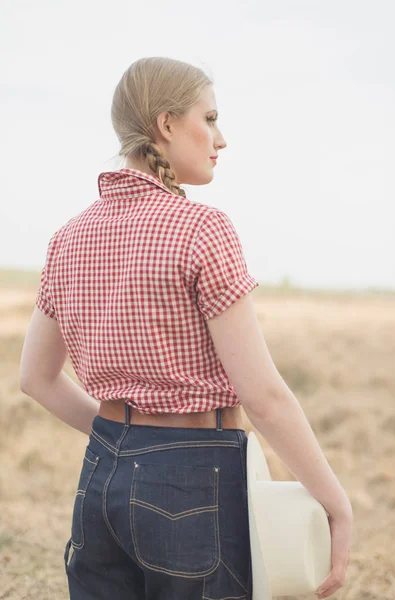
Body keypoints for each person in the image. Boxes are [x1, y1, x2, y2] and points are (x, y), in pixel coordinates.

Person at [20, 56, 353, 600]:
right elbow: (262, 396)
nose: (221, 139)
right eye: (211, 118)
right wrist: (334, 502)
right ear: (167, 125)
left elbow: (35, 379)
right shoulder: (203, 228)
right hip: (194, 481)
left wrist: (124, 442)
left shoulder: (67, 237)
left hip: (100, 476)